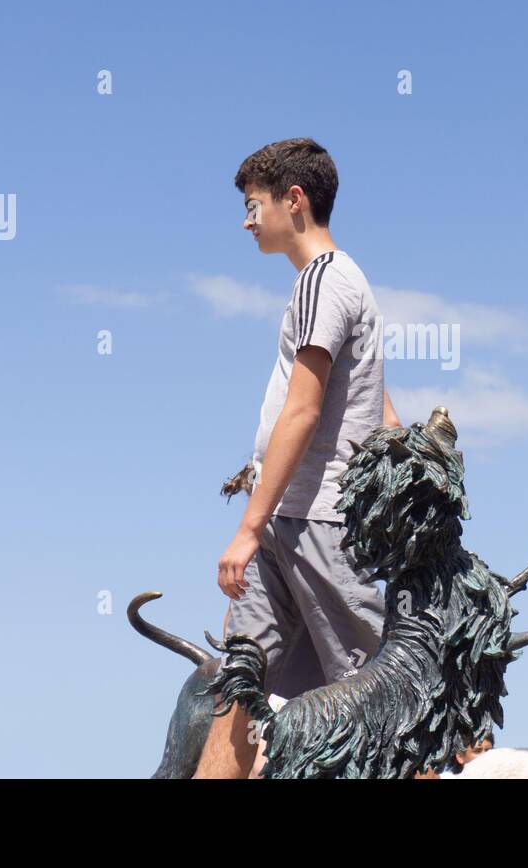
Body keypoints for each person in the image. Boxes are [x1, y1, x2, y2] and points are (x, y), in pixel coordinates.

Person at [193, 137, 402, 779]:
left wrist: (247, 529)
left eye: (255, 206)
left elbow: (304, 412)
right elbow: (382, 413)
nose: (247, 221)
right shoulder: (332, 285)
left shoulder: (325, 281)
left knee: (388, 706)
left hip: (321, 526)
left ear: (295, 199)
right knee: (240, 686)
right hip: (292, 524)